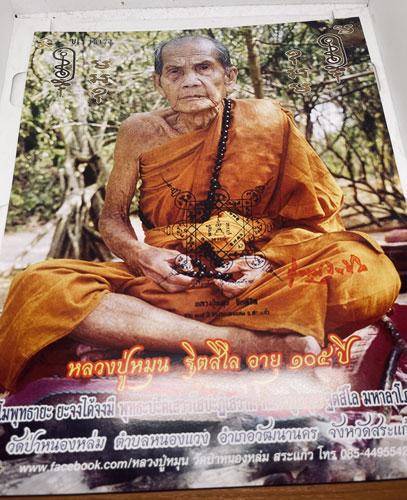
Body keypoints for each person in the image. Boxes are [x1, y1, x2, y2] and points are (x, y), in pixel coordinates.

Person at [0, 35, 401, 391]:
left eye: (204, 68)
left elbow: (313, 219)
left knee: (369, 268)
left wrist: (264, 261)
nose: (190, 81)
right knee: (41, 284)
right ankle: (245, 342)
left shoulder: (266, 120)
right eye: (175, 72)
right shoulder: (139, 131)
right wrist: (142, 255)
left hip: (262, 281)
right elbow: (113, 218)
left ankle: (163, 333)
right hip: (174, 283)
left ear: (230, 77)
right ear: (158, 83)